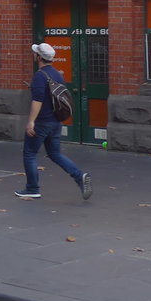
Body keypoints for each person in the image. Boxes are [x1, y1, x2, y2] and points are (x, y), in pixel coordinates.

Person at [16, 42, 92, 200]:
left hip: (42, 122)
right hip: (55, 122)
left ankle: (32, 188)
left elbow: (37, 101)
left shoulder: (40, 75)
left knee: (29, 153)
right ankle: (79, 176)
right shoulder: (58, 74)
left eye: (35, 53)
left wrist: (31, 121)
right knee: (55, 154)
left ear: (39, 57)